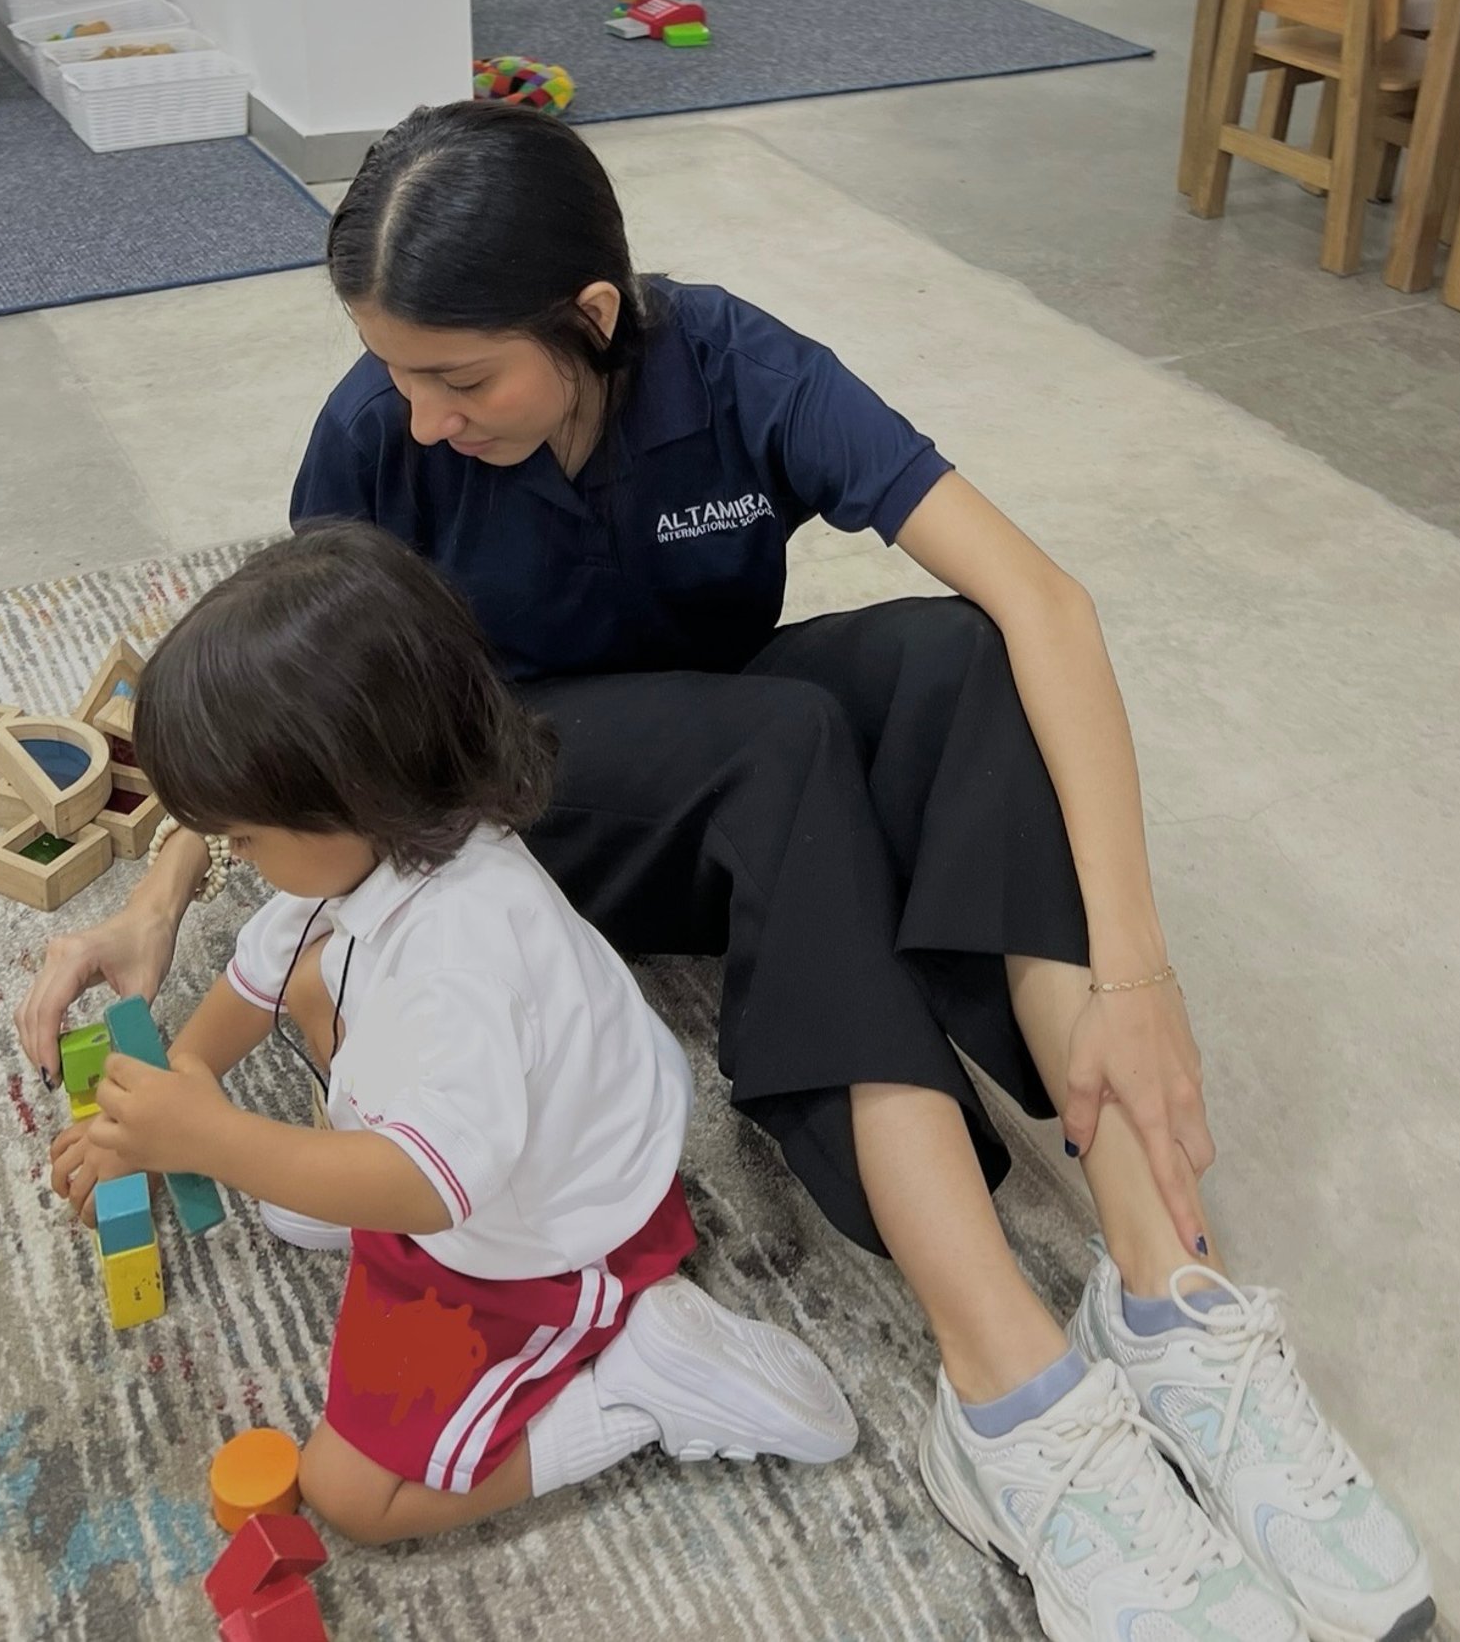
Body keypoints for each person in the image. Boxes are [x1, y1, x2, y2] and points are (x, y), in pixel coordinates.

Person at [21, 101, 1433, 1642]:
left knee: (961, 659)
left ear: (593, 316)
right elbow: (299, 715)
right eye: (396, 372)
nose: (420, 417)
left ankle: (1165, 1286)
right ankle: (1008, 1386)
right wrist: (157, 899)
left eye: (461, 379)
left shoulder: (733, 364)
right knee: (783, 739)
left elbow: (1047, 600)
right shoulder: (379, 433)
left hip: (707, 767)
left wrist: (1137, 970)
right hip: (513, 820)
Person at [50, 521, 856, 1544]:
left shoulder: (461, 957)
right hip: (506, 1136)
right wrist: (180, 1085)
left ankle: (640, 1388)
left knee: (351, 1495)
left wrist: (212, 1139)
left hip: (552, 1239)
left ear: (348, 792)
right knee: (310, 981)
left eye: (244, 835)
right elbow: (258, 982)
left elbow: (431, 1190)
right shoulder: (383, 842)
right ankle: (340, 1179)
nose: (235, 856)